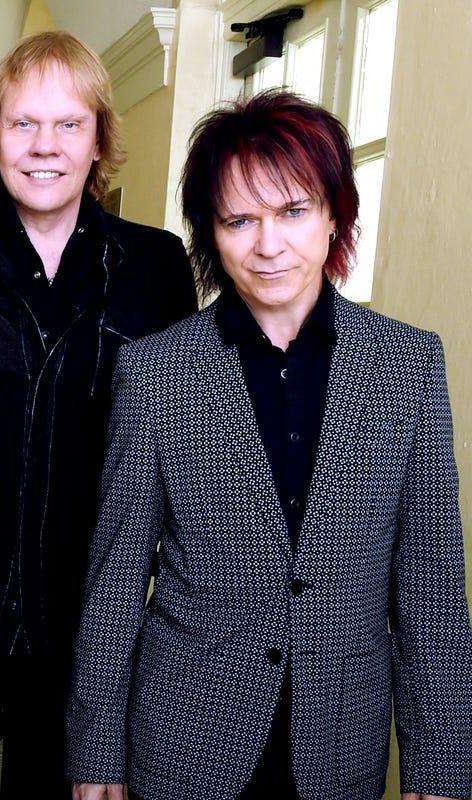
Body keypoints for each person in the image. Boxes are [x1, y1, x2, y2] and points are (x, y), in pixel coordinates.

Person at [66, 90, 472, 800]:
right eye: (239, 220)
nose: (269, 244)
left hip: (340, 744)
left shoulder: (408, 365)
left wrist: (440, 764)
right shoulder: (156, 371)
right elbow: (116, 579)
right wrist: (95, 750)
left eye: (293, 211)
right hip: (184, 735)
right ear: (210, 233)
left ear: (334, 214)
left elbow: (430, 587)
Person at [0, 31, 197, 797]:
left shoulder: (156, 268)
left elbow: (181, 451)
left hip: (90, 624)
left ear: (99, 140)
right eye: (23, 123)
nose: (44, 146)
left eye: (69, 124)